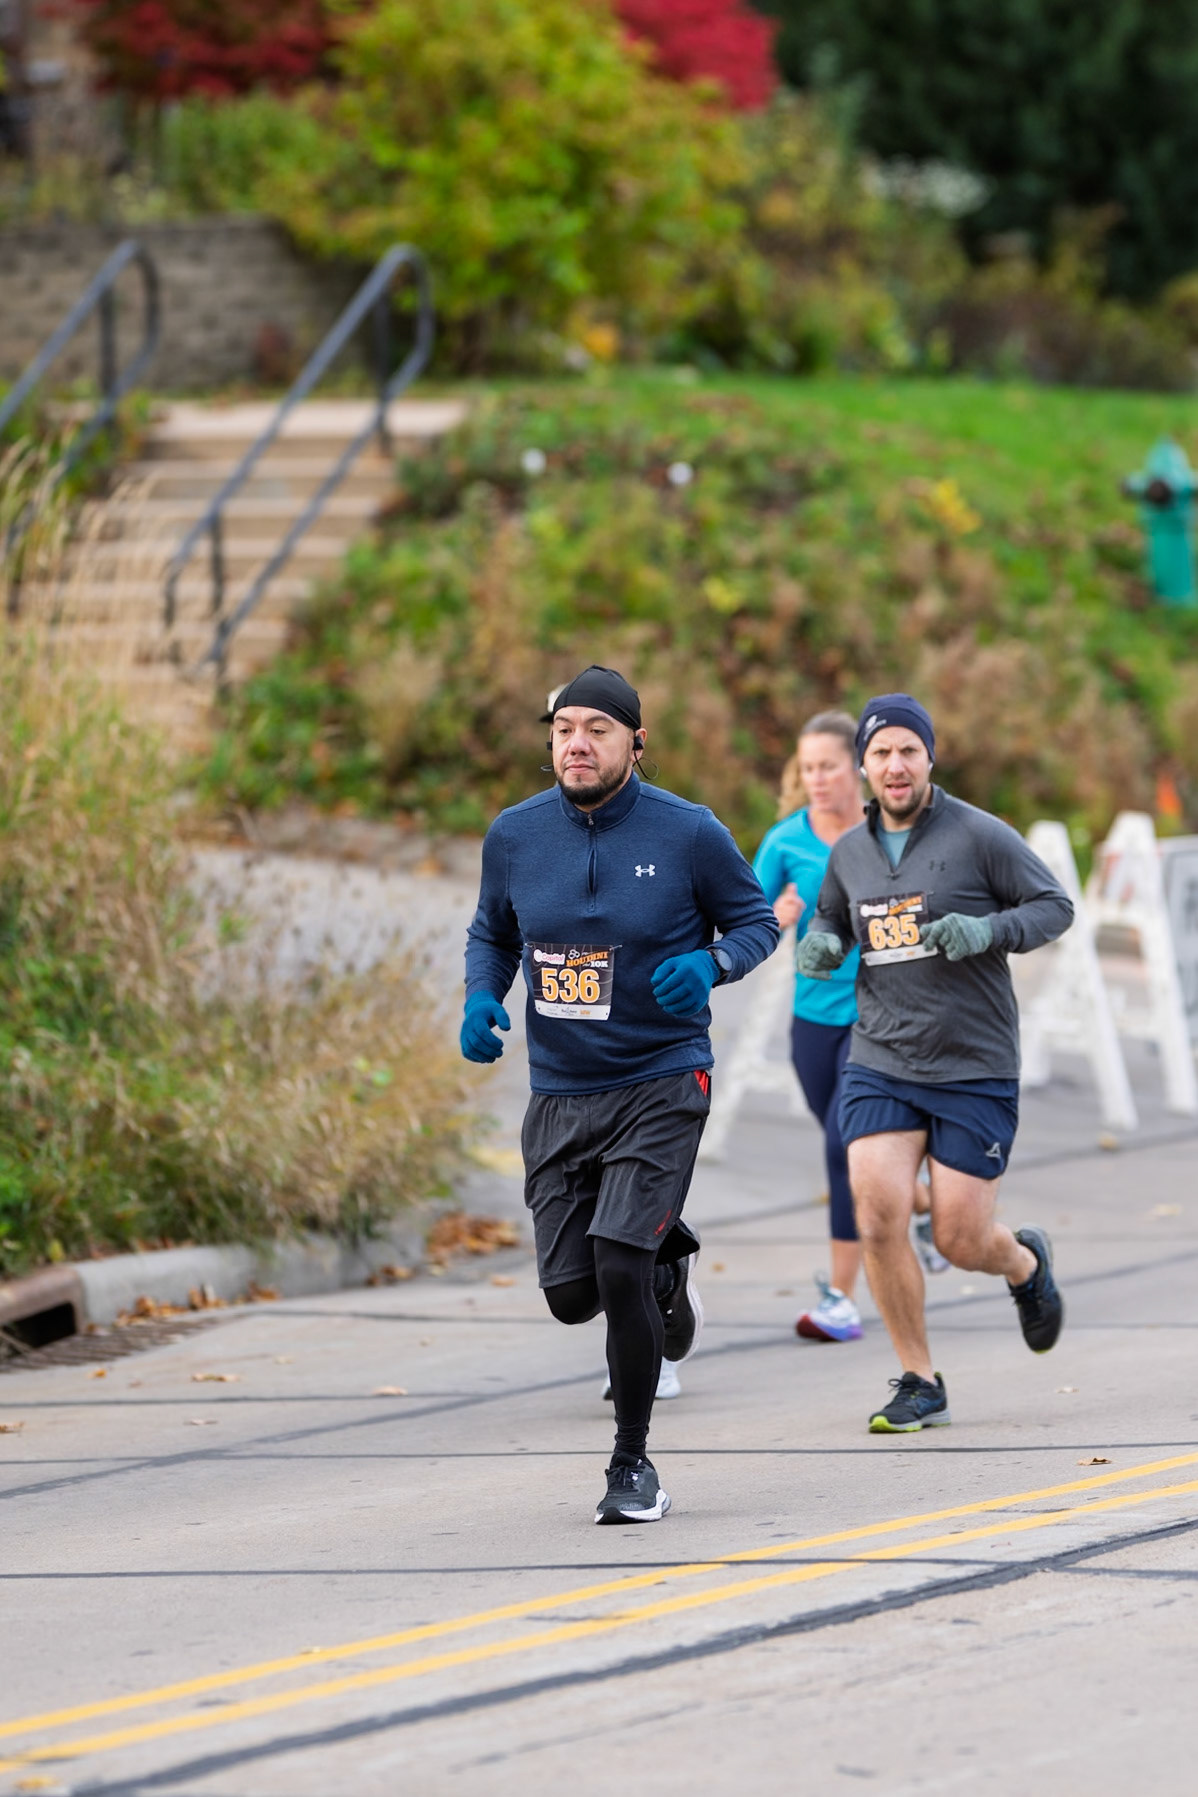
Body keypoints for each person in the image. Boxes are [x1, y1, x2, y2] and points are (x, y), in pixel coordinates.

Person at [462, 665, 779, 1521]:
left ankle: (632, 1465)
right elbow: (492, 932)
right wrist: (481, 995)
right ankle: (668, 1264)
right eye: (563, 728)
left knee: (617, 1260)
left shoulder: (690, 832)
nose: (576, 743)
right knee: (572, 1295)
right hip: (562, 1088)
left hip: (661, 1076)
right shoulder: (516, 835)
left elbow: (756, 922)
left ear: (635, 743)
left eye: (596, 729)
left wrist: (711, 962)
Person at [797, 693, 1072, 1432]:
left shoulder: (979, 834)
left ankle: (1022, 1264)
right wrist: (823, 941)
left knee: (959, 1237)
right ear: (864, 765)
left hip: (973, 1062)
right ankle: (919, 1378)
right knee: (878, 1211)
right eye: (881, 752)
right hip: (881, 1056)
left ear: (929, 758)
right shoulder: (850, 852)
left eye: (907, 751)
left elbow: (1054, 906)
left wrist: (987, 931)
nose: (895, 765)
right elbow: (832, 913)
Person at [754, 714, 948, 1345]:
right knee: (853, 1148)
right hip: (813, 1017)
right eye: (807, 767)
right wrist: (776, 916)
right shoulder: (786, 842)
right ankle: (924, 1202)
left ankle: (840, 1299)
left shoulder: (887, 833)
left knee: (844, 1145)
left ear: (857, 768)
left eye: (829, 766)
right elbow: (741, 925)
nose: (817, 778)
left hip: (881, 1018)